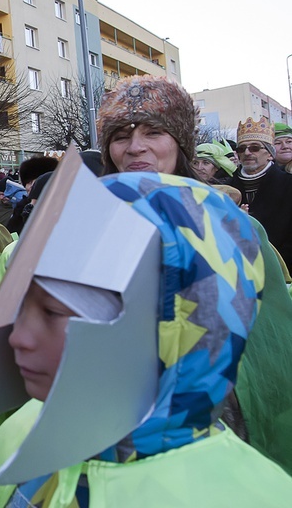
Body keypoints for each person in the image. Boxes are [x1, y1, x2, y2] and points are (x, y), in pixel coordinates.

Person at [0, 163, 292, 507]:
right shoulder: (13, 442)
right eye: (20, 305)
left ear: (177, 325)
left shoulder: (251, 496)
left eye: (55, 312)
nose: (18, 338)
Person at [98, 75, 292, 476]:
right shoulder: (89, 223)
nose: (135, 146)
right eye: (120, 135)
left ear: (181, 144)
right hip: (114, 417)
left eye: (154, 132)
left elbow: (270, 339)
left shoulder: (234, 226)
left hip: (215, 422)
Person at [230, 117, 292, 270]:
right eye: (241, 149)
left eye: (255, 148)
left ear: (270, 154)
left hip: (282, 269)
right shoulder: (226, 187)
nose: (247, 152)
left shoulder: (288, 184)